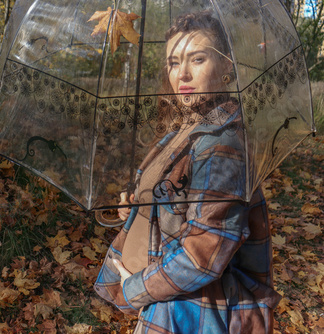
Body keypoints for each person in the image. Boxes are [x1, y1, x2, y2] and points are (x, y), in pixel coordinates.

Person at [94, 10, 281, 334]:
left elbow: (203, 253)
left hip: (199, 313)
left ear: (226, 67)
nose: (182, 74)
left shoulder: (223, 146)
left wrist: (134, 288)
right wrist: (140, 205)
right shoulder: (185, 131)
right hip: (173, 299)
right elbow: (179, 205)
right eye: (173, 62)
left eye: (196, 59)